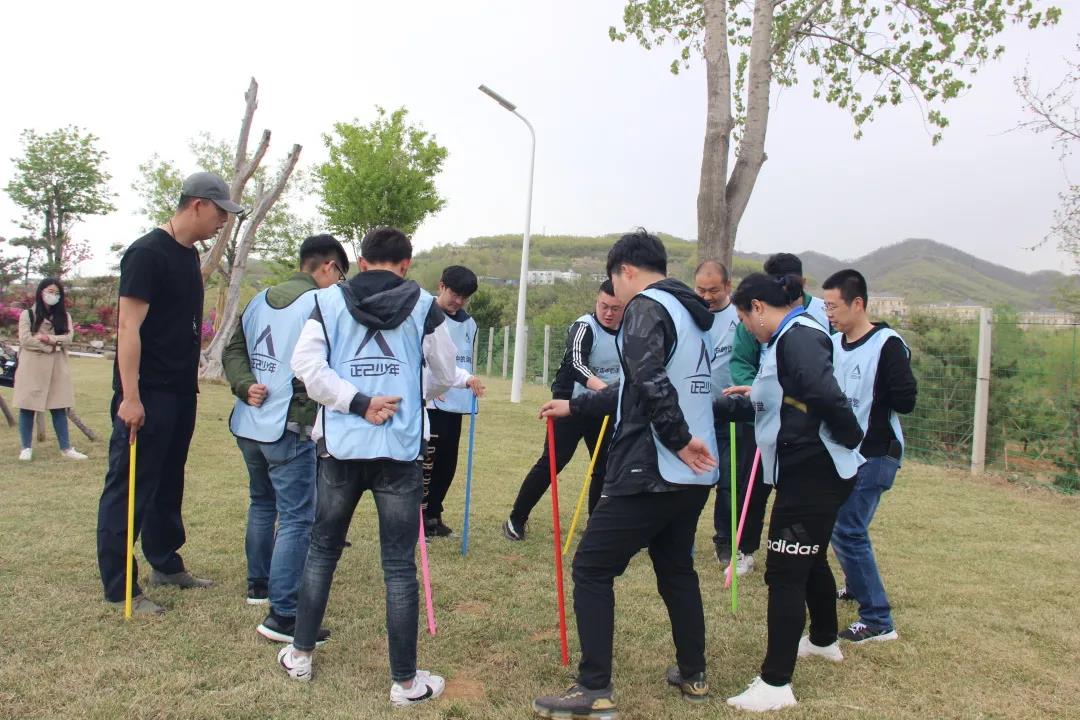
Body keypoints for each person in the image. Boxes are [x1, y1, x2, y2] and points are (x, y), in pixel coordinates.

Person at [532, 230, 719, 719]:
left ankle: (594, 688)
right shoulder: (692, 313)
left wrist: (677, 438)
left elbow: (651, 383)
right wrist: (576, 405)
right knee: (676, 568)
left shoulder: (646, 307)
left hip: (653, 467)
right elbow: (638, 385)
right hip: (693, 475)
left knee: (592, 567)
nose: (614, 293)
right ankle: (694, 674)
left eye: (614, 281)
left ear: (627, 271)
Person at [278, 226, 458, 707]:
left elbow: (306, 367)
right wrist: (405, 394)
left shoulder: (327, 301)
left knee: (322, 552)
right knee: (398, 567)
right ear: (406, 264)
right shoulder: (425, 306)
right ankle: (405, 683)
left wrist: (356, 402)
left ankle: (300, 654)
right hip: (399, 451)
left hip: (340, 447)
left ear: (360, 262)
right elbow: (445, 371)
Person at [713, 272, 863, 713]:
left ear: (758, 308)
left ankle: (775, 683)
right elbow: (791, 395)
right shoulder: (785, 339)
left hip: (813, 472)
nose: (746, 328)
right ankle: (823, 639)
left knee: (783, 572)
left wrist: (850, 437)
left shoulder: (797, 336)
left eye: (744, 319)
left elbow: (823, 393)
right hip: (806, 470)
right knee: (809, 557)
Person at [96, 172, 242, 615]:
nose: (223, 221)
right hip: (147, 393)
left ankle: (165, 562)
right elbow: (128, 328)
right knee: (131, 486)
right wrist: (130, 396)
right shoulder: (146, 253)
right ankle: (120, 587)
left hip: (181, 392)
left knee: (168, 482)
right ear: (197, 204)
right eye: (220, 212)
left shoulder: (189, 255)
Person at [223, 234, 350, 643]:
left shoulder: (258, 299)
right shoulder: (321, 304)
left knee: (262, 503)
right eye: (340, 274)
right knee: (296, 518)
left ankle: (258, 585)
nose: (340, 283)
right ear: (328, 267)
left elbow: (233, 351)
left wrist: (244, 384)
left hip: (249, 424)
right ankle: (285, 612)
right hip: (288, 427)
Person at [822, 269, 916, 644]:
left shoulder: (887, 344)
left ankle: (878, 620)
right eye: (826, 306)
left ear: (857, 303)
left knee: (848, 529)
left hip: (876, 453)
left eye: (834, 306)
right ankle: (856, 586)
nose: (829, 313)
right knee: (841, 524)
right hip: (844, 453)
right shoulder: (833, 343)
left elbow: (906, 400)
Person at [726, 252, 830, 577]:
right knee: (753, 486)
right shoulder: (754, 314)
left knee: (798, 493)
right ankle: (744, 548)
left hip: (805, 426)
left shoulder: (821, 313)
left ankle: (803, 552)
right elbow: (741, 361)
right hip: (765, 415)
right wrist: (758, 392)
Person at [502, 280, 624, 542]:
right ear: (597, 301)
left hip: (603, 407)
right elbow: (577, 365)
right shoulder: (584, 327)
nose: (608, 313)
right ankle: (516, 518)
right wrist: (606, 391)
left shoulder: (630, 331)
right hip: (569, 404)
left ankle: (595, 526)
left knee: (605, 466)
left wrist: (610, 398)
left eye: (615, 308)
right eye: (604, 306)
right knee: (553, 462)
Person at [423, 265, 486, 538]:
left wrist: (470, 381)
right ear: (441, 286)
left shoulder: (469, 323)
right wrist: (431, 384)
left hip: (457, 403)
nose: (458, 301)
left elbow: (463, 360)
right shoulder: (425, 313)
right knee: (427, 463)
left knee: (448, 463)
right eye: (454, 294)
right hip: (432, 403)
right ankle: (419, 516)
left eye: (464, 297)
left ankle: (434, 514)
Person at [693, 260, 739, 564]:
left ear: (727, 286)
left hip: (731, 413)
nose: (707, 296)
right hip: (696, 411)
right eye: (701, 290)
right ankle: (678, 535)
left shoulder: (740, 317)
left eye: (714, 290)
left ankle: (724, 540)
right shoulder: (690, 314)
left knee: (729, 482)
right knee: (691, 477)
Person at [14, 278, 86, 461]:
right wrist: (51, 346)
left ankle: (66, 448)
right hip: (32, 367)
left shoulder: (64, 316)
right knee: (27, 407)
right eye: (50, 291)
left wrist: (48, 339)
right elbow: (25, 340)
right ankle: (26, 448)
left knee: (59, 406)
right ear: (41, 292)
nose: (53, 295)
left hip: (57, 367)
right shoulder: (27, 315)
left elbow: (68, 338)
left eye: (57, 293)